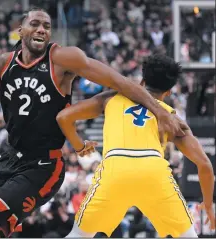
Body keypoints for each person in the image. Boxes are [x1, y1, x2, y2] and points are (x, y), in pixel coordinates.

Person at [0, 8, 184, 238]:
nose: (41, 30)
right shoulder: (0, 63)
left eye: (47, 26)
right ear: (20, 30)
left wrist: (159, 112)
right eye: (35, 24)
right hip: (10, 158)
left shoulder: (62, 59)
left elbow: (119, 82)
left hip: (43, 164)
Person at [56, 54, 215, 238]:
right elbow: (205, 165)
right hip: (153, 171)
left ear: (141, 81)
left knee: (79, 235)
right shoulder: (170, 118)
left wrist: (79, 145)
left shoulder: (111, 98)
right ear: (169, 92)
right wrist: (208, 205)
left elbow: (63, 117)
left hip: (115, 168)